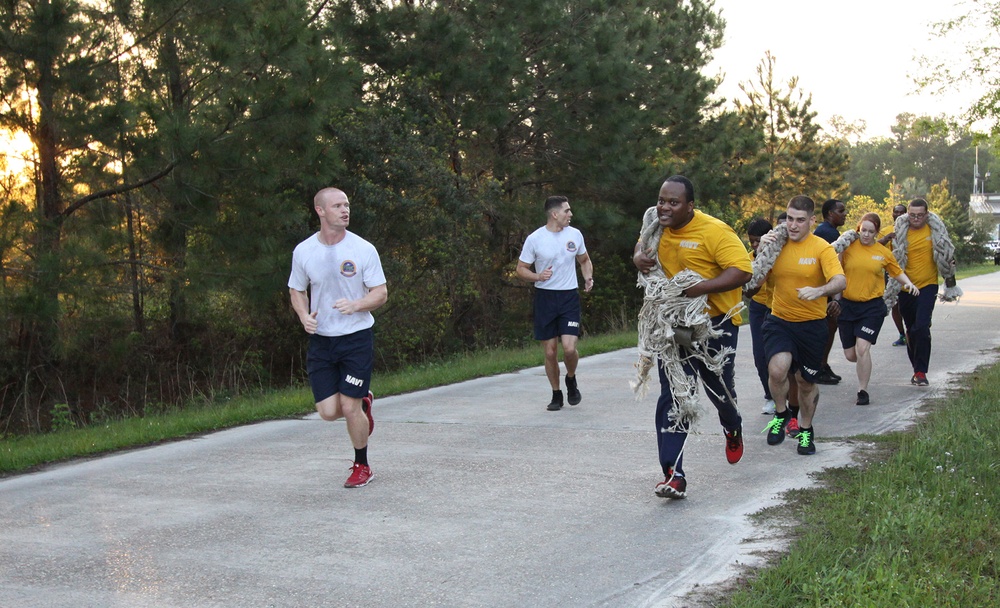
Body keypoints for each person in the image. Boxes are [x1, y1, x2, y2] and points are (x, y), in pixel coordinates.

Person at [633, 176, 751, 499]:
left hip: (716, 323)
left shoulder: (715, 231)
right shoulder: (656, 226)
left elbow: (742, 271)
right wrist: (637, 258)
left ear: (690, 206)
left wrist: (699, 288)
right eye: (661, 200)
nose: (664, 207)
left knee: (718, 389)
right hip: (674, 324)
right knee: (674, 393)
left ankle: (732, 424)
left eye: (673, 202)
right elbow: (642, 248)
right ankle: (674, 474)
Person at [289, 187, 388, 489]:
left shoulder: (363, 249)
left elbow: (381, 293)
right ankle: (365, 404)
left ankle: (362, 465)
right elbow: (296, 289)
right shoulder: (304, 251)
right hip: (322, 340)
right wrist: (304, 316)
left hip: (356, 338)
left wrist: (356, 305)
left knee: (348, 407)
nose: (345, 210)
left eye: (346, 205)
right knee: (328, 412)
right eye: (337, 206)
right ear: (320, 211)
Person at [756, 195, 845, 456]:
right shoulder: (776, 245)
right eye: (790, 219)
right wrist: (761, 249)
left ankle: (806, 430)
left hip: (812, 325)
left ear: (812, 221)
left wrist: (819, 291)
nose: (793, 225)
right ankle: (782, 414)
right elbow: (752, 275)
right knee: (777, 370)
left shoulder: (821, 248)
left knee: (805, 382)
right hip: (779, 320)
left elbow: (840, 280)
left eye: (800, 220)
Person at [516, 196, 594, 411]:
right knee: (550, 352)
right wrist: (537, 276)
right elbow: (521, 268)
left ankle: (571, 378)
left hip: (568, 297)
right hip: (545, 298)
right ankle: (556, 393)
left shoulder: (575, 235)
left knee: (569, 349)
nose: (571, 214)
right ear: (554, 214)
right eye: (567, 211)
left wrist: (587, 277)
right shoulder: (535, 239)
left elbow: (584, 260)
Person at [836, 213, 919, 405]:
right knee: (851, 355)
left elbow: (896, 272)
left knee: (863, 348)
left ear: (876, 233)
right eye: (863, 230)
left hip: (872, 307)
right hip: (847, 306)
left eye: (870, 232)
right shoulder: (847, 247)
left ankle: (862, 391)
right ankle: (864, 365)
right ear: (858, 229)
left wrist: (909, 284)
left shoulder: (882, 252)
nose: (866, 235)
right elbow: (834, 267)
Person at [892, 198, 959, 386]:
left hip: (928, 286)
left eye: (920, 215)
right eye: (912, 215)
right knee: (911, 331)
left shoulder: (935, 231)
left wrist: (949, 269)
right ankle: (916, 370)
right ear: (907, 214)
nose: (916, 219)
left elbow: (947, 252)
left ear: (926, 214)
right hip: (906, 288)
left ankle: (921, 371)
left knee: (921, 327)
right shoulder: (899, 231)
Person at [812, 198, 847, 385]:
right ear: (829, 214)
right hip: (825, 287)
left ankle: (822, 364)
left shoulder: (831, 231)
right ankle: (818, 365)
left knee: (831, 326)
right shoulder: (826, 233)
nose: (844, 214)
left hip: (826, 287)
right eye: (840, 211)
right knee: (827, 327)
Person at [746, 218, 776, 415]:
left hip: (776, 308)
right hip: (758, 309)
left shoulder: (778, 255)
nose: (756, 245)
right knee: (760, 355)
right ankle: (770, 395)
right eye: (752, 242)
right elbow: (748, 292)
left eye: (759, 241)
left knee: (778, 355)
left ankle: (785, 394)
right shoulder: (748, 258)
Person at [879, 204, 909, 346]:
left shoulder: (912, 230)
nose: (897, 214)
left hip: (908, 272)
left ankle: (913, 330)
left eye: (901, 212)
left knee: (908, 303)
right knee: (894, 304)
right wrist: (886, 239)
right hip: (890, 273)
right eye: (895, 212)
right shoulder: (885, 231)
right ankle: (902, 334)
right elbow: (872, 247)